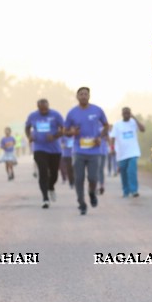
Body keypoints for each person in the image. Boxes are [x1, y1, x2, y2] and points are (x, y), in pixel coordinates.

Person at [64, 87, 109, 215]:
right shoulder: (72, 112)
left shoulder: (97, 110)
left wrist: (100, 137)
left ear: (89, 96)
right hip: (78, 150)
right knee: (79, 179)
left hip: (94, 151)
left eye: (86, 94)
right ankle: (81, 203)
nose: (83, 96)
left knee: (93, 178)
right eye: (81, 94)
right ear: (77, 97)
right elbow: (65, 131)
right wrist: (71, 132)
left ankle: (91, 193)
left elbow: (106, 125)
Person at [25, 98, 65, 209]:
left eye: (45, 109)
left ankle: (51, 186)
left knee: (54, 174)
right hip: (39, 148)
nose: (43, 111)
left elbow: (63, 129)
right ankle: (45, 198)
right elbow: (27, 127)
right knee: (43, 172)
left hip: (54, 149)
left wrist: (55, 136)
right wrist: (29, 136)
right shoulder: (32, 116)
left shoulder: (56, 115)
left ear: (48, 106)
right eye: (41, 109)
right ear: (37, 107)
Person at [110, 107, 145, 197]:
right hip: (121, 154)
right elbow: (112, 137)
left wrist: (135, 118)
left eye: (128, 113)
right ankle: (126, 191)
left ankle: (134, 191)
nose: (126, 114)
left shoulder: (133, 123)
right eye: (125, 113)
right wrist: (112, 148)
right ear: (122, 114)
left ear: (130, 113)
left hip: (133, 152)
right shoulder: (117, 124)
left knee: (131, 171)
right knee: (124, 173)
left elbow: (143, 129)